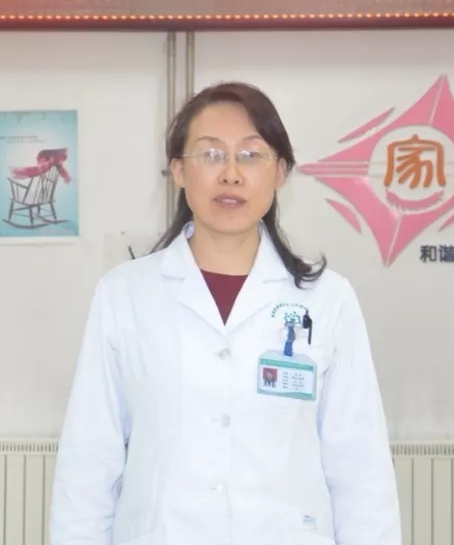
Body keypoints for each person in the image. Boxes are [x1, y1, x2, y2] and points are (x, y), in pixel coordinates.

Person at [50, 82, 401, 545]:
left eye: (251, 155)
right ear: (178, 170)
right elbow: (89, 462)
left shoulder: (328, 300)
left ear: (280, 172)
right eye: (211, 155)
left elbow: (360, 469)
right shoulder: (125, 295)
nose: (231, 174)